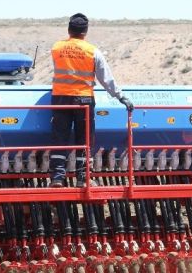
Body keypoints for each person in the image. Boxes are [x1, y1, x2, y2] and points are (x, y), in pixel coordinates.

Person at [49, 13, 133, 187]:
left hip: (60, 99)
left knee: (60, 138)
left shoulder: (56, 48)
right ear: (85, 32)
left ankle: (57, 178)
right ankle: (83, 178)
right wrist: (120, 96)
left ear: (69, 30)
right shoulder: (92, 51)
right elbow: (105, 78)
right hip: (83, 99)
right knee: (84, 139)